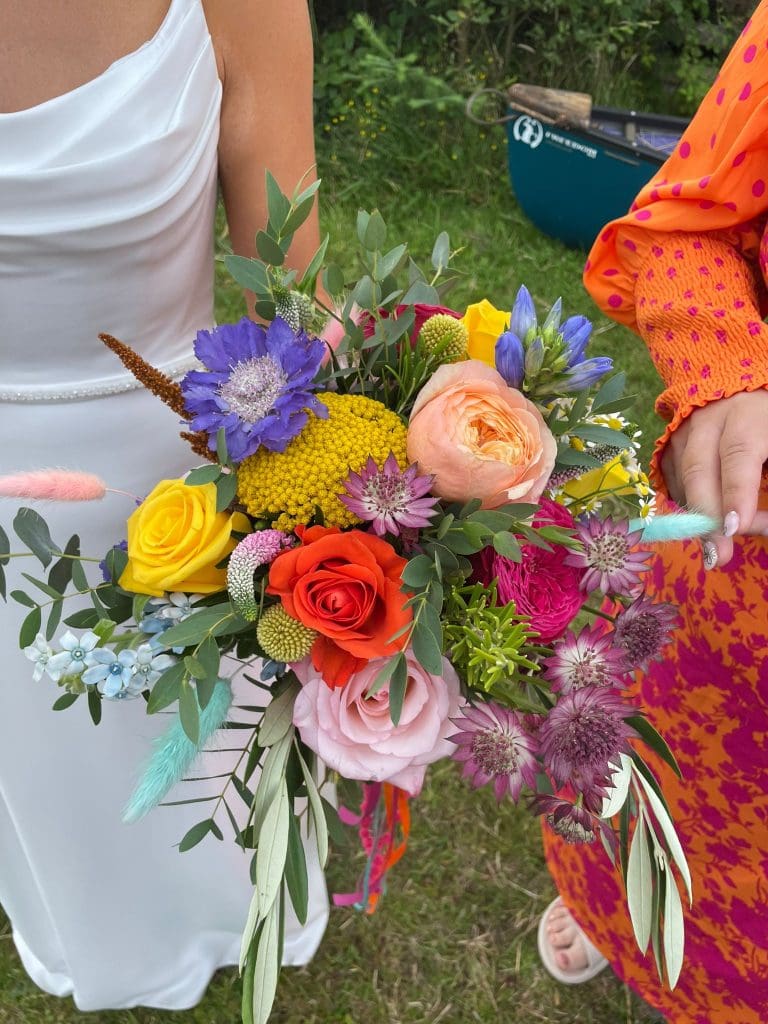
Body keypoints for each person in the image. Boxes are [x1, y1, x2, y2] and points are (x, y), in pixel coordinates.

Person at [0, 0, 328, 1011]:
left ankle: (234, 905)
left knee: (202, 737)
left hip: (184, 475)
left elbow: (293, 303)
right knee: (46, 758)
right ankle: (88, 922)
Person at [537, 4, 768, 1021]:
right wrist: (727, 373)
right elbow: (687, 223)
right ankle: (608, 900)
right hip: (737, 559)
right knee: (653, 762)